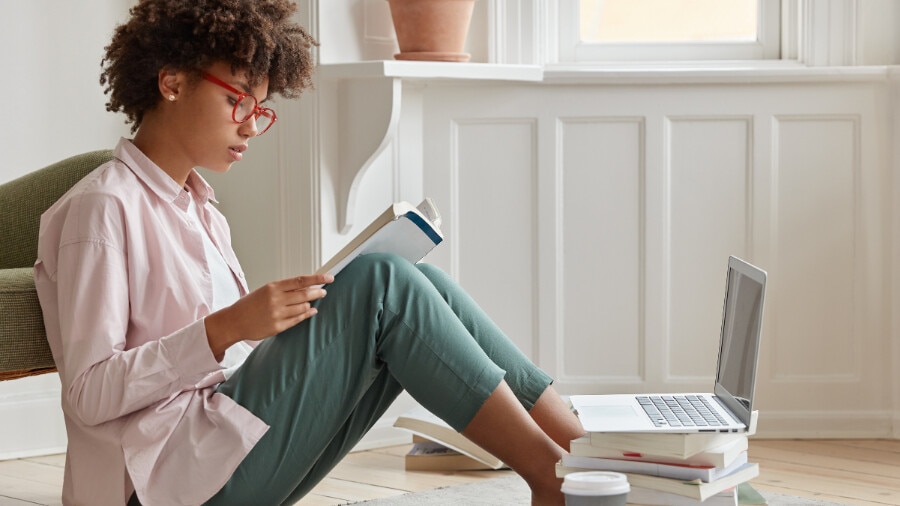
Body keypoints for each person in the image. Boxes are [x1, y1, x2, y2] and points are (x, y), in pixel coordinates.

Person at [35, 1, 585, 505]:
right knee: (382, 283)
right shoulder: (102, 208)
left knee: (419, 286)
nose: (252, 125)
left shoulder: (200, 209)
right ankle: (550, 478)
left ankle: (587, 451)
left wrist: (286, 330)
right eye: (237, 101)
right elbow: (88, 392)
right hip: (158, 485)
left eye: (261, 107)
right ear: (171, 83)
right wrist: (227, 327)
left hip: (215, 449)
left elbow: (221, 364)